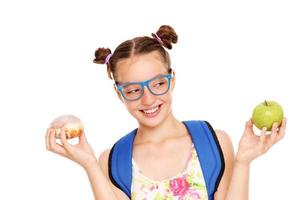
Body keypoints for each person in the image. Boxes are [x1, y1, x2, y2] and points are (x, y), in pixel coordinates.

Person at [45, 25, 287, 200]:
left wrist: (244, 161)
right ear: (119, 94)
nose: (148, 98)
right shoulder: (113, 161)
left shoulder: (214, 142)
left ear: (172, 80)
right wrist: (89, 165)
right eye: (132, 90)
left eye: (158, 84)